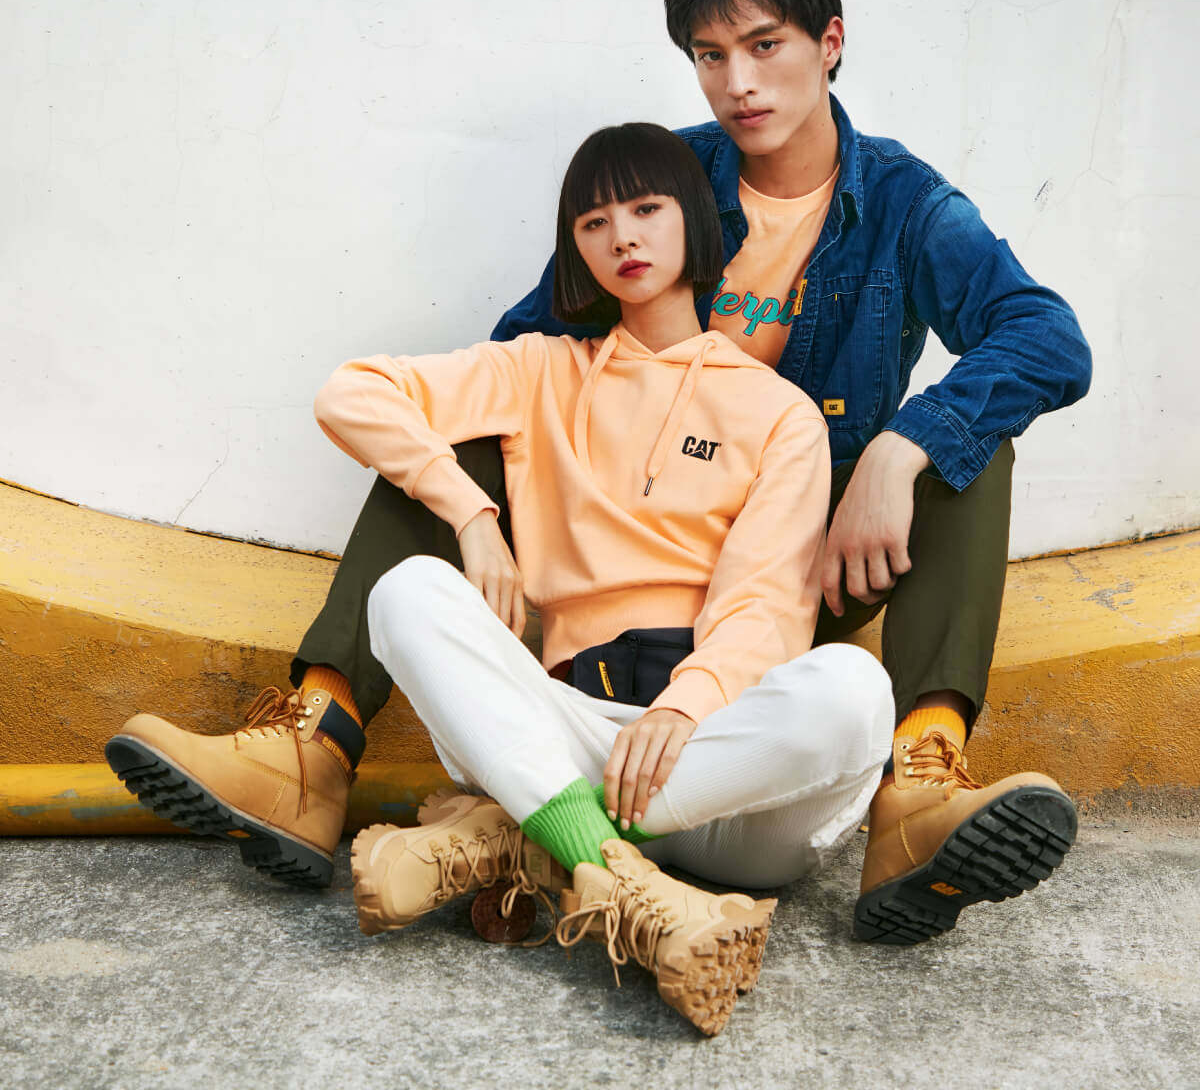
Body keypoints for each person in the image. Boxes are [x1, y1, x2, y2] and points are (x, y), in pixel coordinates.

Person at [108, 0, 1089, 949]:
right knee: (461, 433)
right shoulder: (665, 178)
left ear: (829, 42)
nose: (740, 83)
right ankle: (315, 741)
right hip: (622, 597)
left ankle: (918, 781)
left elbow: (1046, 338)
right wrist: (486, 514)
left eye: (766, 46)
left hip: (806, 561)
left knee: (969, 445)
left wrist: (902, 445)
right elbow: (530, 350)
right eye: (710, 56)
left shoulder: (903, 207)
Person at [118, 122, 900, 1036]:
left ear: (693, 218)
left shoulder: (779, 413)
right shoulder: (540, 369)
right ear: (576, 249)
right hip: (565, 728)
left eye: (646, 210)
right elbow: (352, 393)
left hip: (723, 774)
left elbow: (765, 606)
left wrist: (687, 708)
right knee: (407, 592)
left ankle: (526, 838)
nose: (623, 238)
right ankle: (614, 870)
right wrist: (472, 515)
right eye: (594, 223)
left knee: (855, 691)